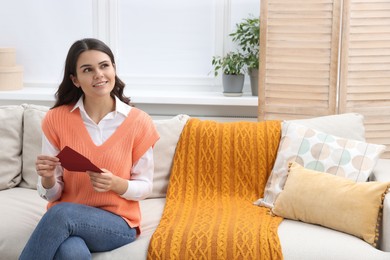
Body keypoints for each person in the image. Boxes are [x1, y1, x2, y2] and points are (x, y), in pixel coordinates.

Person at [19, 38, 160, 260]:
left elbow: (145, 187)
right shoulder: (56, 119)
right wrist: (47, 179)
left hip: (117, 224)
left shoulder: (139, 122)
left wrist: (117, 184)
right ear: (75, 80)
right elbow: (52, 194)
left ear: (114, 69)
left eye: (104, 65)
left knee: (60, 214)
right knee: (71, 252)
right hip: (67, 220)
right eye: (88, 69)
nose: (99, 74)